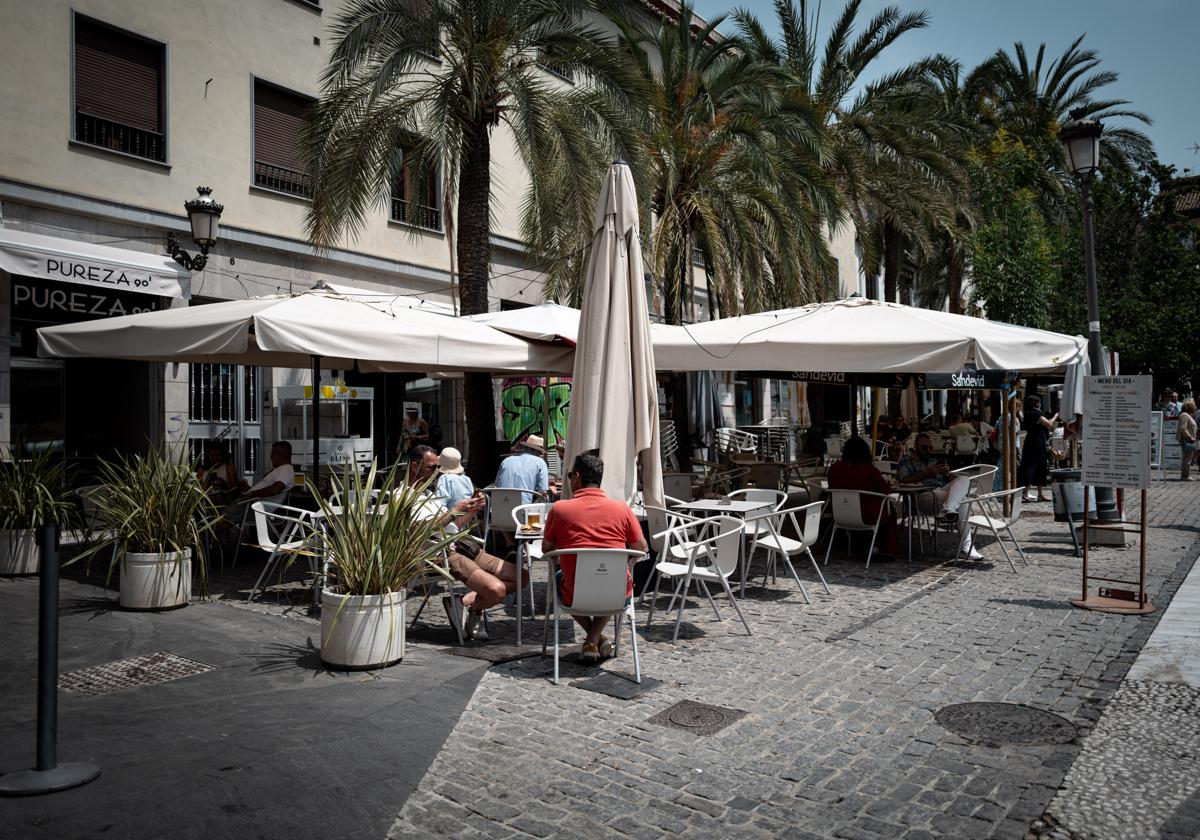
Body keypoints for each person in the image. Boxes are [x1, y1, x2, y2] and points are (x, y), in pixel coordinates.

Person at [541, 454, 648, 664]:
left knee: (559, 580)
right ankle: (594, 639)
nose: (570, 480)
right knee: (610, 579)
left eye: (570, 475)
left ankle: (592, 638)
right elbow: (641, 547)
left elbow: (546, 548)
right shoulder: (622, 509)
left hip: (575, 594)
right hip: (618, 594)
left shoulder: (560, 509)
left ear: (577, 477)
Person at [408, 446, 517, 642]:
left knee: (520, 576)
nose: (436, 472)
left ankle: (463, 602)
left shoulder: (430, 495)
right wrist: (454, 510)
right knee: (496, 589)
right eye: (432, 468)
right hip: (440, 553)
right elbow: (420, 531)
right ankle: (475, 611)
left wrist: (473, 509)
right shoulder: (404, 497)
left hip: (460, 544)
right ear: (415, 466)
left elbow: (454, 526)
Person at [897, 432, 979, 559]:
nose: (928, 451)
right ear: (915, 446)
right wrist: (924, 474)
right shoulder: (906, 461)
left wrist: (947, 473)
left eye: (930, 448)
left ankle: (948, 509)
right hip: (922, 494)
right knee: (964, 500)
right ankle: (967, 546)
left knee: (964, 479)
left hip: (940, 491)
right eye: (924, 448)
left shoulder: (933, 460)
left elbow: (950, 481)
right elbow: (902, 480)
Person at [827, 436, 898, 557]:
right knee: (888, 506)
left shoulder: (834, 468)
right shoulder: (869, 470)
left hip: (839, 513)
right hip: (865, 515)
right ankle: (886, 547)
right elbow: (885, 490)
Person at [1018, 396, 1058, 503]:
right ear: (1036, 403)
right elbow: (1049, 424)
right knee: (1032, 467)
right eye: (1039, 402)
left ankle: (1039, 494)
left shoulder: (1028, 413)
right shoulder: (1036, 413)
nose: (1040, 404)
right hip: (1036, 443)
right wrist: (1055, 416)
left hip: (1032, 442)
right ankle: (1026, 493)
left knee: (1039, 466)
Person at [494, 434, 549, 505]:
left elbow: (497, 485)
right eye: (540, 453)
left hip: (500, 508)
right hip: (523, 509)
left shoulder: (506, 461)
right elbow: (543, 492)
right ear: (537, 451)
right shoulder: (540, 462)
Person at [1178, 399, 1197, 481]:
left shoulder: (1187, 415)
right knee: (1187, 458)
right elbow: (1183, 428)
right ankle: (1186, 476)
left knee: (1188, 458)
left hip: (1188, 440)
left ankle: (1185, 475)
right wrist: (1190, 437)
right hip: (1187, 440)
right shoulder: (1185, 415)